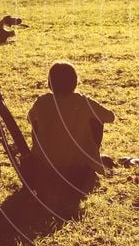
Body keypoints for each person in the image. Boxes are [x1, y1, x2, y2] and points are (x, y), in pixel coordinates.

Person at [27, 61, 115, 190]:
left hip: (45, 167)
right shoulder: (82, 101)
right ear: (75, 81)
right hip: (78, 169)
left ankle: (44, 154)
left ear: (50, 83)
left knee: (36, 120)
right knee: (97, 120)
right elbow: (110, 117)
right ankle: (89, 161)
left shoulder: (42, 101)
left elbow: (30, 119)